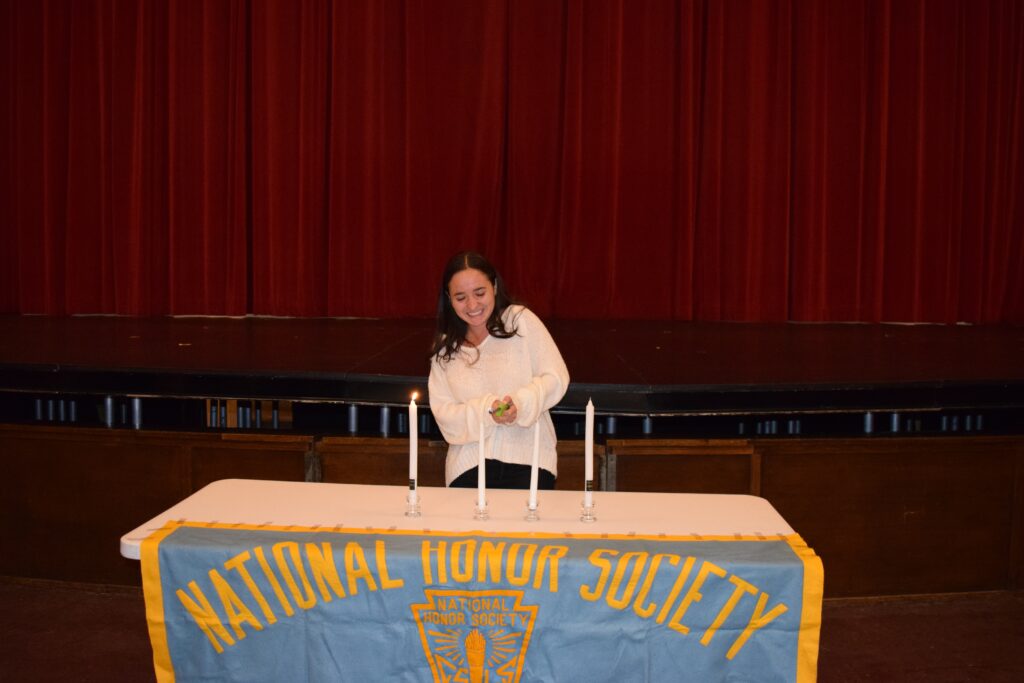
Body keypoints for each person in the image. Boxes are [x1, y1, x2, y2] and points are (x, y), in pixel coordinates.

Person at [428, 251, 569, 489]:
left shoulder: (520, 321)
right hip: (467, 468)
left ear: (494, 286)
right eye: (460, 297)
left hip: (530, 461)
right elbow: (445, 416)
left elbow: (555, 377)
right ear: (448, 299)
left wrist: (520, 404)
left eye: (479, 293)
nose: (472, 305)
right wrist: (487, 412)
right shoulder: (444, 351)